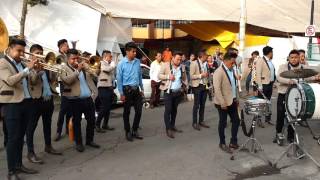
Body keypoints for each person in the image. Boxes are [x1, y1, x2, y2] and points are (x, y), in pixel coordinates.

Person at [0, 38, 38, 180]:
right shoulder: (2, 63)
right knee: (12, 139)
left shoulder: (21, 63)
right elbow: (10, 80)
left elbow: (32, 82)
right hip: (12, 104)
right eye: (19, 51)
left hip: (26, 103)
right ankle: (11, 171)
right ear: (9, 48)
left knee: (20, 137)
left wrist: (35, 70)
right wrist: (28, 68)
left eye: (23, 51)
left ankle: (19, 165)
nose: (21, 54)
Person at [26, 44, 62, 165]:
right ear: (31, 55)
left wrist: (53, 68)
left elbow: (52, 80)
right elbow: (32, 81)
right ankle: (30, 152)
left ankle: (48, 146)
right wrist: (36, 70)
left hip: (48, 99)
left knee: (47, 124)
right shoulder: (28, 66)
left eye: (41, 52)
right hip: (35, 100)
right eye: (37, 53)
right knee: (31, 127)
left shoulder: (46, 65)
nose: (40, 55)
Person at [275, 50, 319, 145]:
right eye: (292, 57)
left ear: (299, 58)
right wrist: (289, 81)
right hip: (283, 94)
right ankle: (278, 134)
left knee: (293, 116)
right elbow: (279, 77)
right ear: (289, 58)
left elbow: (307, 77)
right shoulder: (283, 67)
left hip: (296, 95)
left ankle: (290, 136)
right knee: (280, 116)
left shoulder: (304, 68)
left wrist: (315, 78)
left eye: (296, 57)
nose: (294, 59)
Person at [60, 49, 100, 152]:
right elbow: (67, 80)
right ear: (68, 59)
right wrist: (78, 70)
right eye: (73, 59)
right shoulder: (63, 68)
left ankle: (89, 140)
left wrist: (95, 67)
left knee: (91, 120)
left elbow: (96, 74)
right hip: (74, 99)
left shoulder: (84, 67)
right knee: (76, 122)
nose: (76, 60)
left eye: (77, 58)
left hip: (88, 98)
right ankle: (78, 143)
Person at [213, 52, 240, 153]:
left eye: (234, 63)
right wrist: (222, 103)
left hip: (232, 100)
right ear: (225, 60)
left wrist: (236, 97)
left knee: (236, 121)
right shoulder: (218, 72)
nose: (233, 64)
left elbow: (233, 85)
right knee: (223, 123)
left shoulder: (231, 70)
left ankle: (233, 141)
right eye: (232, 62)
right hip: (222, 103)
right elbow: (217, 89)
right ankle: (222, 143)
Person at [117, 42, 144, 141]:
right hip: (126, 90)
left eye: (135, 51)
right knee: (126, 112)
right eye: (133, 51)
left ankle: (135, 130)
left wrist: (141, 88)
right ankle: (127, 131)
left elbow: (140, 76)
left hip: (137, 90)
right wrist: (121, 93)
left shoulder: (137, 62)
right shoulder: (121, 64)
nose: (135, 53)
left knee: (139, 111)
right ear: (127, 51)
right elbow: (119, 79)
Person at [158, 51, 188, 138]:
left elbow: (184, 77)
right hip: (168, 92)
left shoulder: (182, 67)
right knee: (168, 110)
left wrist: (186, 86)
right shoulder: (165, 65)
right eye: (178, 59)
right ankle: (168, 129)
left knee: (174, 110)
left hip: (178, 92)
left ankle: (172, 125)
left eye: (180, 59)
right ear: (173, 58)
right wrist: (168, 77)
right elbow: (159, 75)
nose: (179, 61)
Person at [55, 39, 71, 141]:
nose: (68, 47)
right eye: (66, 45)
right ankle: (58, 131)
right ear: (61, 46)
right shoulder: (58, 56)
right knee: (64, 108)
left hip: (71, 81)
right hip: (63, 83)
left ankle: (68, 129)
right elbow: (57, 68)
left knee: (70, 107)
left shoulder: (67, 55)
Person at [96, 50, 116, 132]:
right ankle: (97, 124)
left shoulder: (108, 64)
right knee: (104, 107)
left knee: (108, 107)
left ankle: (105, 124)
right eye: (110, 56)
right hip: (103, 87)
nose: (111, 58)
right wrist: (113, 65)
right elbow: (106, 70)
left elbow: (112, 75)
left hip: (109, 87)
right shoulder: (100, 63)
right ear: (105, 56)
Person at [255, 46, 276, 126]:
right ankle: (258, 119)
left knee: (268, 102)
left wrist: (273, 82)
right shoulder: (260, 60)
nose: (272, 54)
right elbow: (258, 74)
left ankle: (268, 119)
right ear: (269, 53)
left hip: (269, 84)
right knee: (261, 103)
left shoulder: (270, 61)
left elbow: (271, 72)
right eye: (272, 52)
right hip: (263, 85)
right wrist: (260, 86)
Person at [190, 50, 210, 130]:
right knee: (196, 105)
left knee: (203, 105)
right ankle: (194, 122)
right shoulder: (194, 63)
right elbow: (191, 76)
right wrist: (201, 75)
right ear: (202, 56)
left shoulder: (205, 64)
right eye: (206, 56)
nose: (207, 57)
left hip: (204, 85)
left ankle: (201, 121)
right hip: (197, 86)